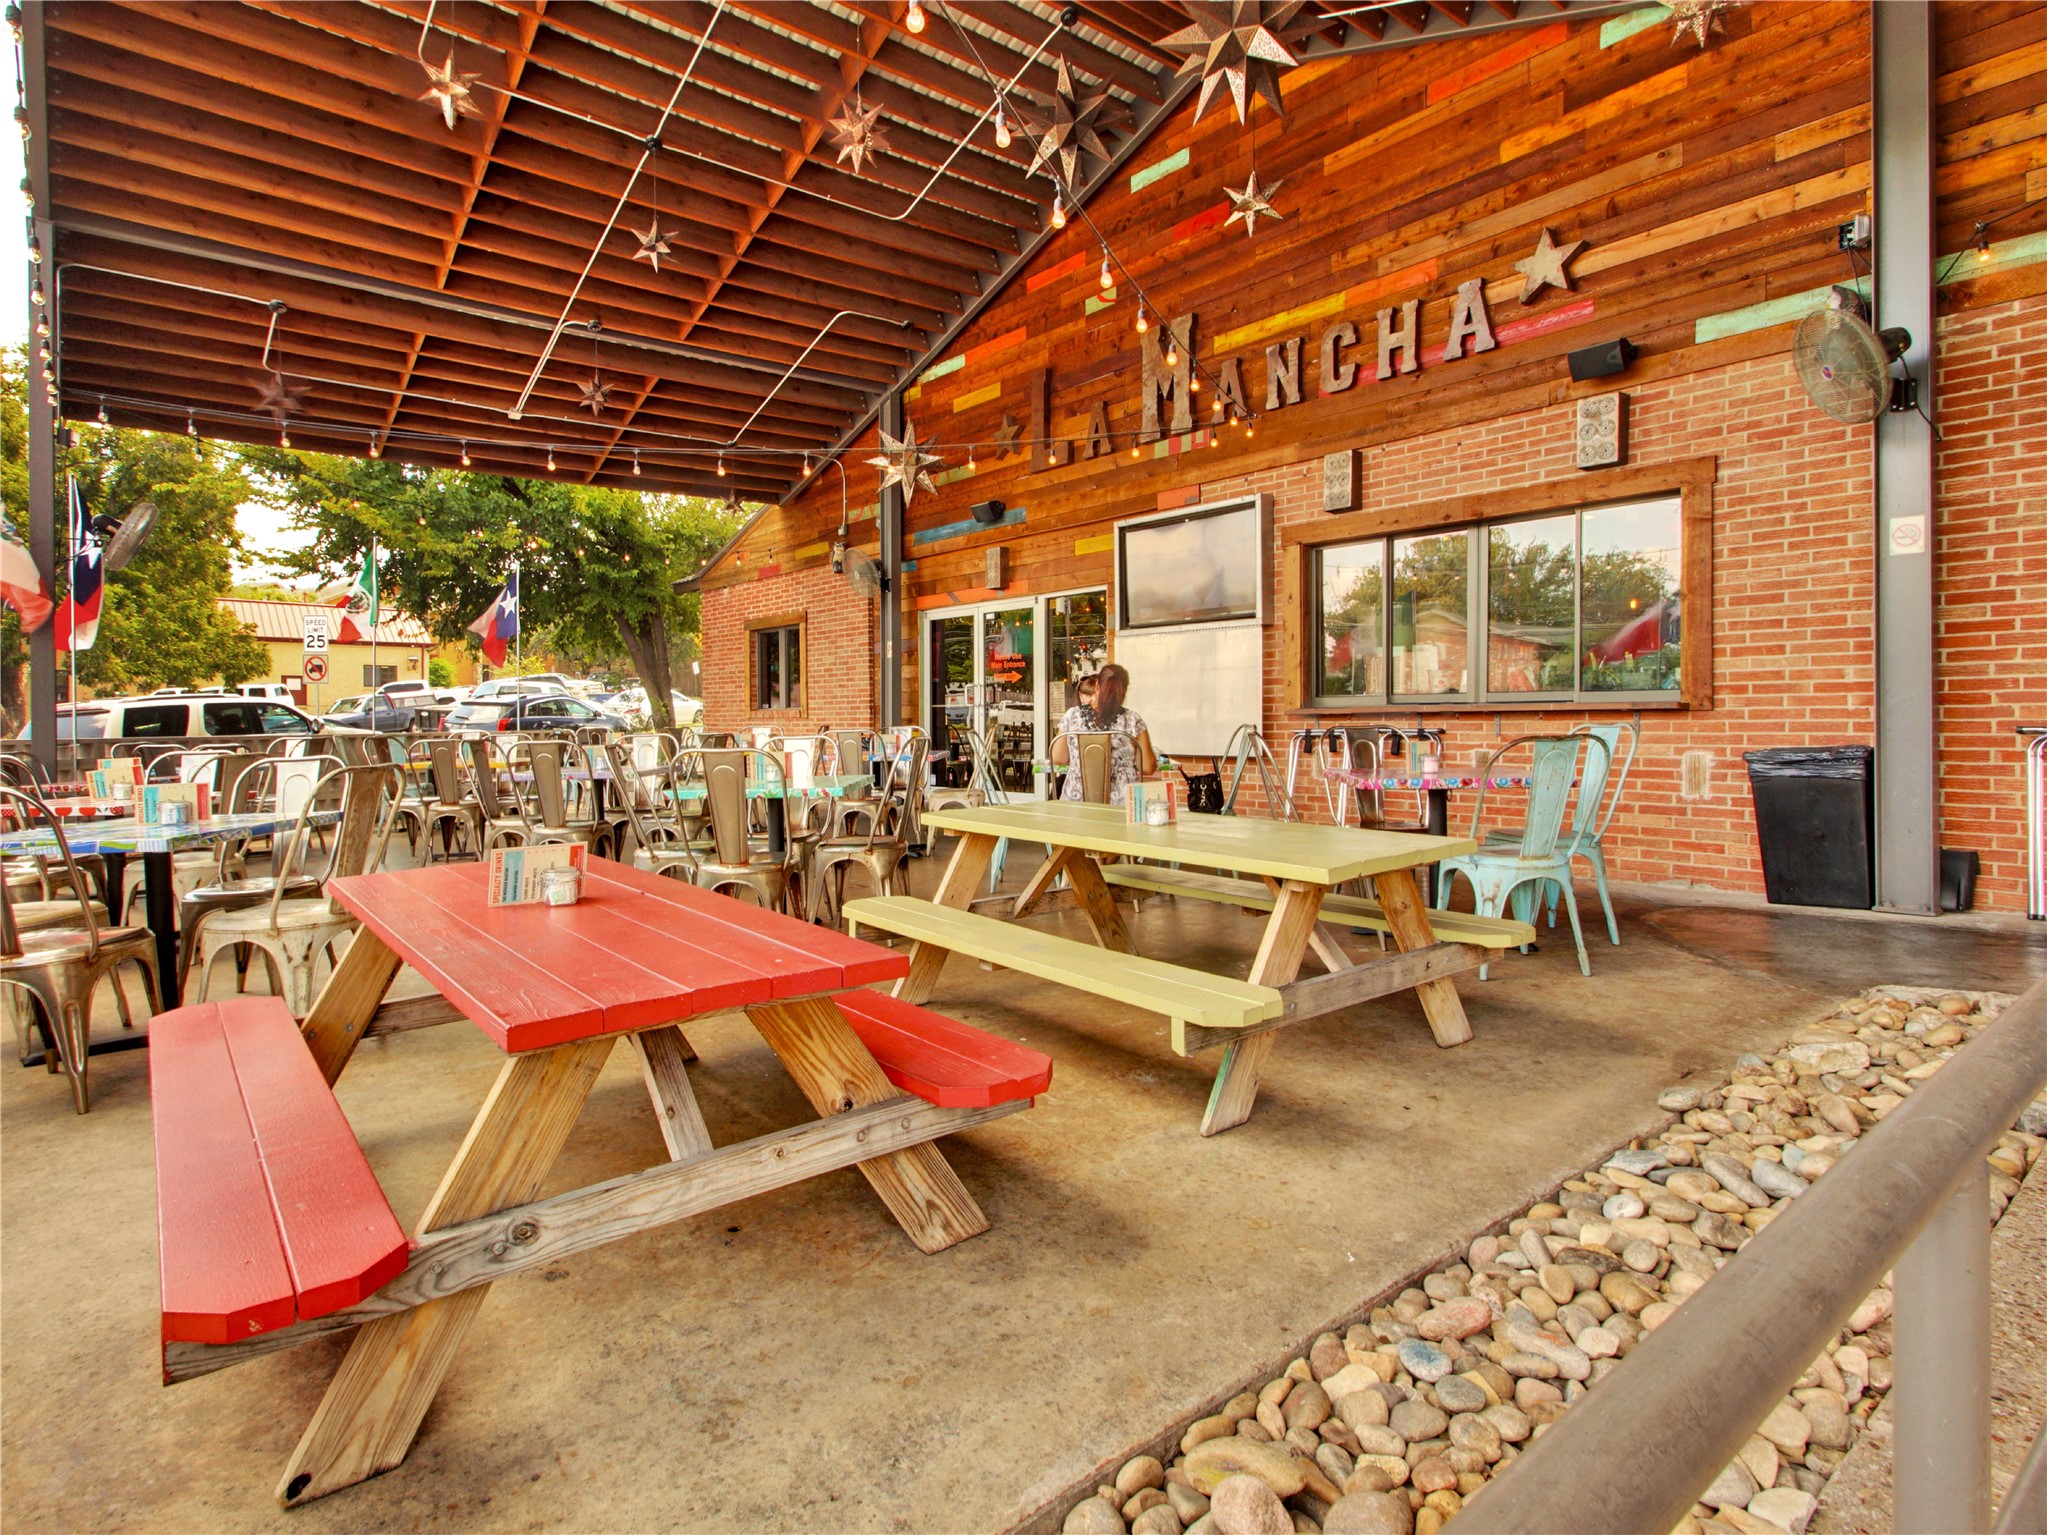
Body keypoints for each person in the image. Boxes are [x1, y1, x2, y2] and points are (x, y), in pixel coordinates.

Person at [1051, 664, 1156, 805]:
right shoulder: (1132, 720)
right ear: (1124, 691)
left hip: (1076, 800)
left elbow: (1058, 758)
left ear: (1097, 686)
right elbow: (1147, 767)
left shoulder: (1072, 716)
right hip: (1122, 803)